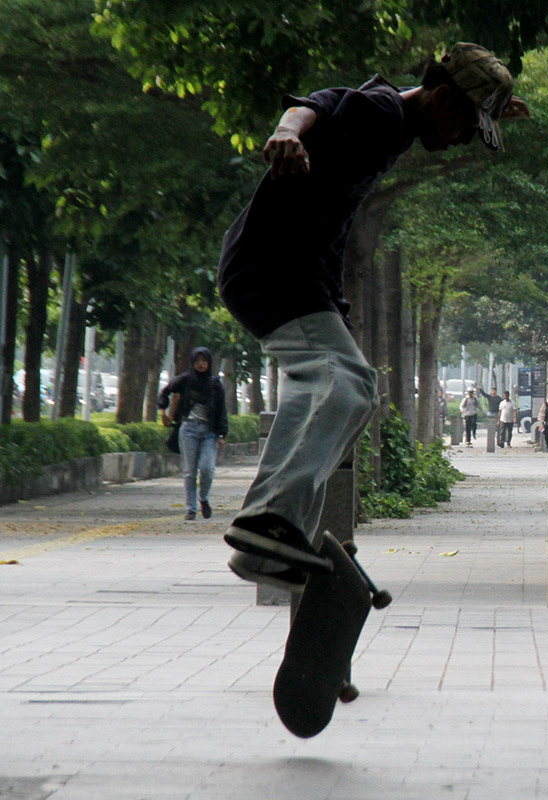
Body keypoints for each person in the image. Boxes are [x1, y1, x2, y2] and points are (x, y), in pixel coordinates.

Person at [216, 42, 528, 590]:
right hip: (274, 268)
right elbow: (317, 104)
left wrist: (493, 107)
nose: (459, 140)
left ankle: (276, 536)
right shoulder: (381, 111)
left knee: (312, 389)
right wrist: (288, 131)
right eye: (463, 124)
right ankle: (270, 522)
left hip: (292, 273)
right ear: (440, 97)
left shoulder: (400, 120)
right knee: (352, 385)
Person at [159, 347, 228, 521]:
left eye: (204, 361)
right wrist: (162, 412)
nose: (200, 364)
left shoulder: (215, 384)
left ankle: (203, 497)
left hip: (209, 432)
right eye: (197, 361)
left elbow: (221, 410)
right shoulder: (185, 380)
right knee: (189, 472)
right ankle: (191, 508)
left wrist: (222, 434)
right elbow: (165, 391)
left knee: (207, 468)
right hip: (188, 429)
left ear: (209, 362)